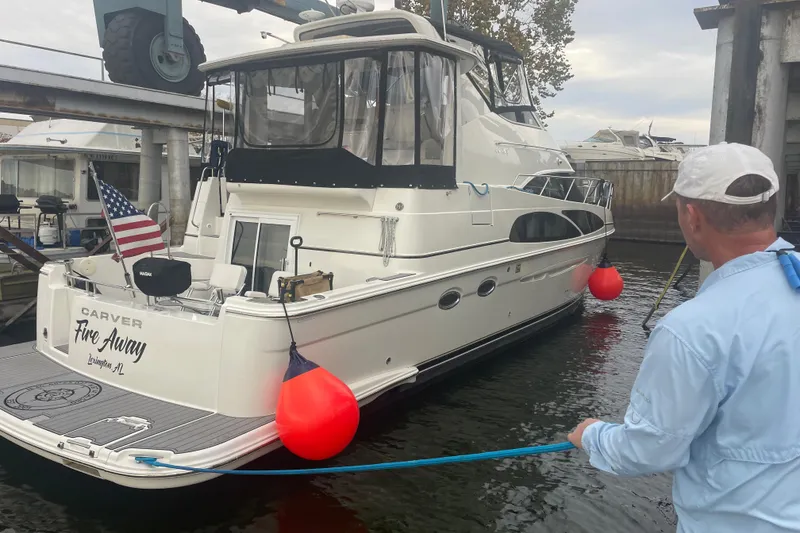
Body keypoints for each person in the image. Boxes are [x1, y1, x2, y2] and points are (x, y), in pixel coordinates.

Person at [567, 142, 800, 532]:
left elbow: (649, 450)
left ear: (692, 216)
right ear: (771, 206)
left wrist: (591, 435)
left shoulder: (692, 328)